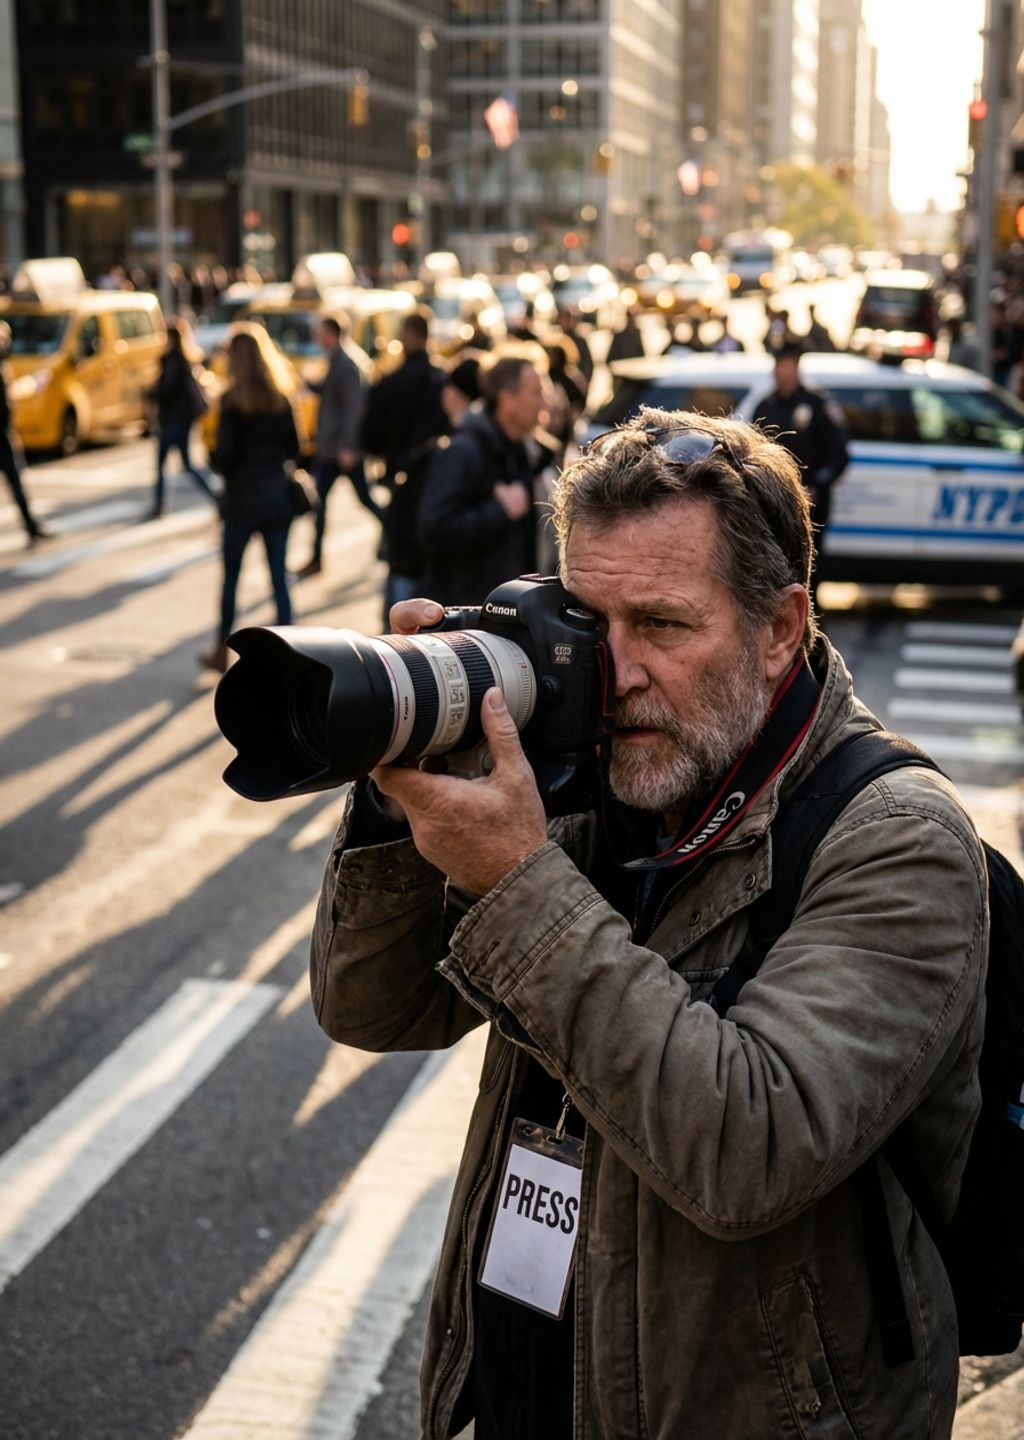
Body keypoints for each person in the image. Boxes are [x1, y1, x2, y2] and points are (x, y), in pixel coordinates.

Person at [310, 408, 987, 1440]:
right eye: (588, 624)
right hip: (525, 1387)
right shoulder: (591, 774)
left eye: (662, 627)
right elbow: (371, 1008)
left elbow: (748, 1147)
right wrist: (402, 803)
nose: (612, 674)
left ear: (776, 628)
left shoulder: (895, 840)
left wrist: (519, 877)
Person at [200, 328, 298, 673]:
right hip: (275, 498)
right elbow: (295, 449)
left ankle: (221, 650)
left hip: (241, 501)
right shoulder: (280, 397)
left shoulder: (231, 402)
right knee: (278, 579)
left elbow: (224, 457)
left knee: (231, 581)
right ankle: (293, 654)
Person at [417, 352, 544, 606]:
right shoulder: (464, 451)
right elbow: (433, 530)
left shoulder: (523, 450)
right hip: (467, 613)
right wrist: (500, 511)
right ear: (507, 401)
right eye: (536, 393)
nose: (544, 403)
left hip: (505, 607)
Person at [361, 310, 449, 619]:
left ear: (408, 337)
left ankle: (395, 637)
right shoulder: (442, 380)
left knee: (401, 562)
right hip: (439, 482)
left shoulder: (390, 382)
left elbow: (369, 436)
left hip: (402, 481)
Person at [753, 342, 849, 601]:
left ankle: (810, 630)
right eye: (777, 365)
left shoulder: (817, 404)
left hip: (811, 505)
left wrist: (817, 485)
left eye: (786, 365)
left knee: (809, 572)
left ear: (796, 367)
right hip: (774, 504)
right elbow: (753, 451)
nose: (780, 371)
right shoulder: (766, 406)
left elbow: (839, 455)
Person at [295, 314, 378, 578]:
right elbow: (333, 393)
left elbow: (353, 408)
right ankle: (316, 557)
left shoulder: (347, 362)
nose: (316, 337)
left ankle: (398, 536)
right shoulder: (338, 358)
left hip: (341, 450)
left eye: (319, 331)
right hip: (333, 448)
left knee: (363, 499)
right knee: (322, 503)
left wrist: (348, 447)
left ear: (331, 333)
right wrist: (310, 384)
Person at [147, 320, 219, 520]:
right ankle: (214, 493)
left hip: (172, 419)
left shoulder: (172, 360)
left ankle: (160, 503)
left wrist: (152, 393)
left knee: (170, 464)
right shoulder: (186, 359)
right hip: (183, 419)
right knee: (186, 464)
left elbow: (167, 390)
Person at [0, 321, 52, 545]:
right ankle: (31, 526)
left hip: (5, 436)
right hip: (3, 436)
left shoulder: (3, 367)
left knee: (17, 484)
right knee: (16, 483)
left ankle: (31, 526)